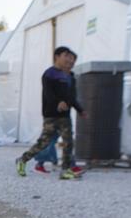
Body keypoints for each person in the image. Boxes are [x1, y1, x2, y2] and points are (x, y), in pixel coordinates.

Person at [16, 46, 88, 180]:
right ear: (57, 56)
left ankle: (66, 170)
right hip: (51, 115)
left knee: (68, 142)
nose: (70, 61)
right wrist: (58, 103)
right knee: (44, 143)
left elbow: (72, 97)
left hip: (65, 116)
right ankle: (22, 160)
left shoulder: (71, 76)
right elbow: (48, 93)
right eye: (66, 56)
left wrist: (80, 110)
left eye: (72, 58)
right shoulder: (49, 74)